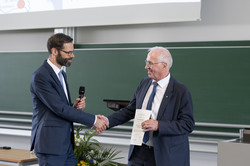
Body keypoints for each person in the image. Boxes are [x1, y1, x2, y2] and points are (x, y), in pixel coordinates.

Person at [99, 46, 194, 166]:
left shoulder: (180, 91)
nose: (146, 67)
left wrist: (159, 125)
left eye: (150, 63)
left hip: (165, 156)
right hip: (139, 152)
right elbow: (130, 110)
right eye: (146, 62)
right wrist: (108, 120)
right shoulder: (144, 83)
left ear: (164, 65)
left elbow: (188, 124)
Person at [30, 33, 107, 166]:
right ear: (54, 51)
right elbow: (59, 108)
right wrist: (94, 120)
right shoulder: (41, 76)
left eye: (72, 52)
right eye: (68, 52)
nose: (72, 55)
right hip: (51, 146)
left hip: (65, 145)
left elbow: (60, 107)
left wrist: (73, 107)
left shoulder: (61, 74)